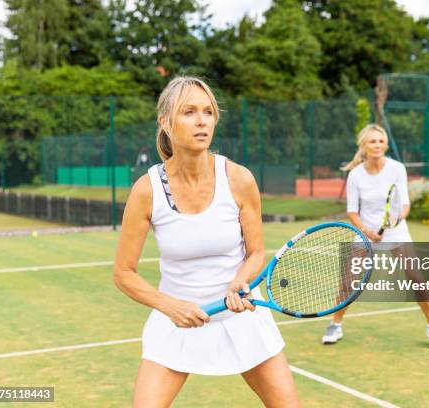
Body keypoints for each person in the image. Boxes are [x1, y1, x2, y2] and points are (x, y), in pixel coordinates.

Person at [113, 76, 300, 407]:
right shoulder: (147, 189)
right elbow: (123, 273)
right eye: (188, 112)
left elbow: (256, 252)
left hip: (242, 317)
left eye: (208, 112)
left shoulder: (239, 179)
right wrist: (171, 306)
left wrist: (241, 281)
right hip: (176, 322)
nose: (201, 121)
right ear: (166, 123)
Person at [321, 123, 429, 350]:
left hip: (396, 231)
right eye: (372, 141)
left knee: (417, 280)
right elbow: (352, 211)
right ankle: (335, 324)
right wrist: (367, 231)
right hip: (365, 232)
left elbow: (405, 203)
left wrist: (396, 220)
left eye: (380, 141)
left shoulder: (397, 168)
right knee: (348, 283)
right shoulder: (355, 175)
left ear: (385, 145)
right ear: (364, 146)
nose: (377, 145)